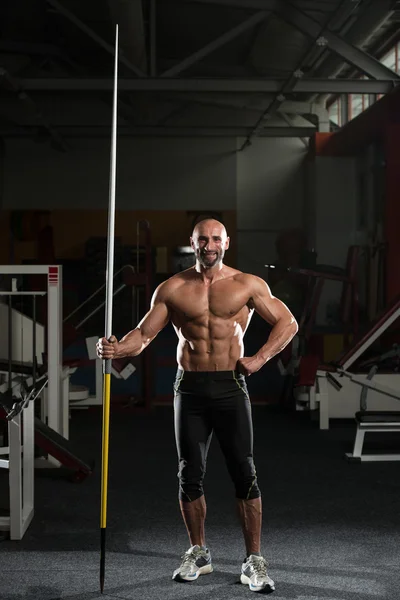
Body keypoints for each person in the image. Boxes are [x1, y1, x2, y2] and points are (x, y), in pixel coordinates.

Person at [97, 218, 298, 593]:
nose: (209, 245)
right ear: (192, 242)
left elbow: (288, 323)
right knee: (189, 473)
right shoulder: (172, 288)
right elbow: (143, 335)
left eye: (215, 239)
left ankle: (253, 560)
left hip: (230, 385)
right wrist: (117, 348)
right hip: (188, 388)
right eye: (202, 239)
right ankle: (198, 553)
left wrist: (258, 359)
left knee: (245, 472)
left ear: (227, 242)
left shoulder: (248, 285)